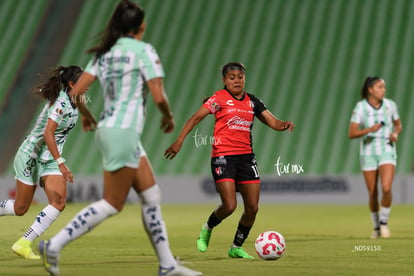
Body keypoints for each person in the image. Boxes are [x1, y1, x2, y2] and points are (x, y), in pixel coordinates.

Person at [38, 1, 202, 276]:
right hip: (123, 133)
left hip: (110, 129)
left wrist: (88, 116)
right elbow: (159, 95)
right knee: (112, 203)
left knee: (151, 195)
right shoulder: (144, 51)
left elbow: (76, 91)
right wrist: (168, 116)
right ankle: (54, 245)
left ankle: (167, 265)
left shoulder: (105, 53)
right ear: (141, 26)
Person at [164, 62, 294, 258]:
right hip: (223, 156)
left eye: (240, 77)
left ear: (244, 79)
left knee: (252, 207)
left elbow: (272, 121)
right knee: (230, 205)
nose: (236, 80)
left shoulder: (252, 101)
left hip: (246, 157)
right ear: (224, 80)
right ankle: (208, 227)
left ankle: (235, 247)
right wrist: (179, 141)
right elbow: (195, 118)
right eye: (232, 77)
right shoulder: (218, 99)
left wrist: (284, 124)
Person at [0, 65, 96, 260]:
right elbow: (48, 133)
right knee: (20, 208)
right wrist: (61, 163)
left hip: (50, 159)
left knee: (59, 202)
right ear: (71, 84)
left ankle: (23, 243)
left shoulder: (76, 96)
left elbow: (81, 103)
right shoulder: (60, 104)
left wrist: (87, 118)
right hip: (31, 156)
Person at [349, 76, 402, 239]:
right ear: (370, 90)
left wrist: (395, 133)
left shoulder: (390, 105)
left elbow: (398, 125)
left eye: (384, 87)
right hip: (368, 151)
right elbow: (352, 133)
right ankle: (376, 226)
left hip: (387, 149)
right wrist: (369, 130)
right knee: (372, 193)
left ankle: (384, 222)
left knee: (386, 188)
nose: (383, 90)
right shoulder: (361, 107)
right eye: (380, 87)